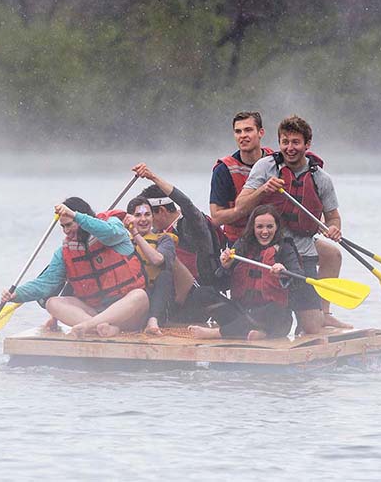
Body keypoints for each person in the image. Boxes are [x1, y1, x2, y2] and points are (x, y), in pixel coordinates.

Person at [216, 113, 350, 329]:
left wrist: (334, 229)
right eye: (285, 142)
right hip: (267, 253)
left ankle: (318, 320)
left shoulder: (321, 179)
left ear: (307, 144)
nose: (290, 148)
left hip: (302, 253)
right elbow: (241, 206)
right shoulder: (265, 167)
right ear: (279, 143)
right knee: (265, 320)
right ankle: (260, 331)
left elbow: (333, 217)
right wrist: (263, 189)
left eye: (296, 142)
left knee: (313, 327)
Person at [0, 197, 149, 338]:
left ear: (80, 218)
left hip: (129, 314)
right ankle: (101, 327)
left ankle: (89, 326)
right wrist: (16, 294)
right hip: (96, 313)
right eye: (63, 226)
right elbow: (46, 283)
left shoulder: (113, 225)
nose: (66, 231)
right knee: (53, 303)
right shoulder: (65, 252)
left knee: (139, 296)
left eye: (69, 224)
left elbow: (109, 233)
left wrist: (74, 215)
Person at [132, 162, 228, 323]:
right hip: (174, 297)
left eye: (149, 215)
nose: (145, 220)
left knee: (163, 258)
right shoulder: (156, 232)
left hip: (200, 295)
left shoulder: (193, 224)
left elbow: (186, 203)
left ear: (161, 211)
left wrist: (152, 177)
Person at [189, 205, 300, 340]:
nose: (265, 232)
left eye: (269, 227)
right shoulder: (242, 245)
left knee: (276, 310)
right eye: (260, 227)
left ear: (277, 227)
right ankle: (255, 333)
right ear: (253, 227)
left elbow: (299, 279)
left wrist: (284, 273)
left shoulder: (285, 248)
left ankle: (218, 333)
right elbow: (220, 285)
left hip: (271, 316)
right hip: (240, 313)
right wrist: (225, 268)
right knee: (202, 292)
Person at [209, 111, 274, 243]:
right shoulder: (224, 170)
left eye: (248, 130)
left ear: (261, 132)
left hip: (275, 238)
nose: (243, 136)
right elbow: (216, 217)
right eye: (238, 132)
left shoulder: (275, 161)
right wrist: (242, 208)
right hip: (239, 240)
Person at [123, 196, 178, 335]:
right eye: (138, 215)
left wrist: (135, 234)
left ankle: (153, 321)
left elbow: (157, 260)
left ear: (153, 217)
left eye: (147, 214)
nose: (143, 219)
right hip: (132, 300)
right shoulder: (121, 241)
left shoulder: (164, 239)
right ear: (129, 218)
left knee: (165, 275)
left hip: (156, 301)